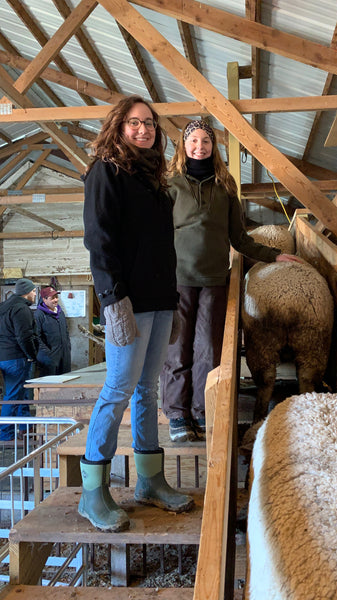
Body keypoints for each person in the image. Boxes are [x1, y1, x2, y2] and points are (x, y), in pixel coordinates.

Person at [80, 95, 194, 533]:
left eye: (149, 123)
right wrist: (113, 299)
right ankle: (93, 492)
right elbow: (99, 240)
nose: (144, 129)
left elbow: (163, 247)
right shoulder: (105, 172)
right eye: (134, 123)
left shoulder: (155, 181)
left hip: (160, 299)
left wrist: (173, 300)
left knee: (149, 389)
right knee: (118, 389)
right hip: (126, 301)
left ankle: (149, 481)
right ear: (119, 126)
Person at [160, 119, 302, 443]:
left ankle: (203, 409)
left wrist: (274, 255)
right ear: (183, 145)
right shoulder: (170, 184)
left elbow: (240, 238)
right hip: (177, 279)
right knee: (177, 349)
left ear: (214, 146)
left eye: (205, 141)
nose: (199, 146)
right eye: (193, 140)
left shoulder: (225, 186)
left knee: (210, 349)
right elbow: (156, 233)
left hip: (214, 280)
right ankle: (177, 414)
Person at [0, 278, 38, 441]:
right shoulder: (21, 309)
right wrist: (31, 355)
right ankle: (6, 434)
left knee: (19, 393)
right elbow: (24, 336)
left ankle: (25, 427)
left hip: (4, 356)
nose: (35, 294)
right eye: (34, 291)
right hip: (16, 357)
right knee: (13, 396)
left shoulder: (4, 306)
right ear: (27, 292)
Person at [35, 285, 71, 376]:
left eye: (56, 297)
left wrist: (68, 346)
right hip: (49, 358)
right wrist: (48, 353)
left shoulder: (60, 312)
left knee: (65, 382)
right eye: (52, 298)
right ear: (44, 299)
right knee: (50, 386)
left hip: (64, 355)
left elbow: (65, 331)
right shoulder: (39, 315)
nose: (55, 300)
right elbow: (36, 337)